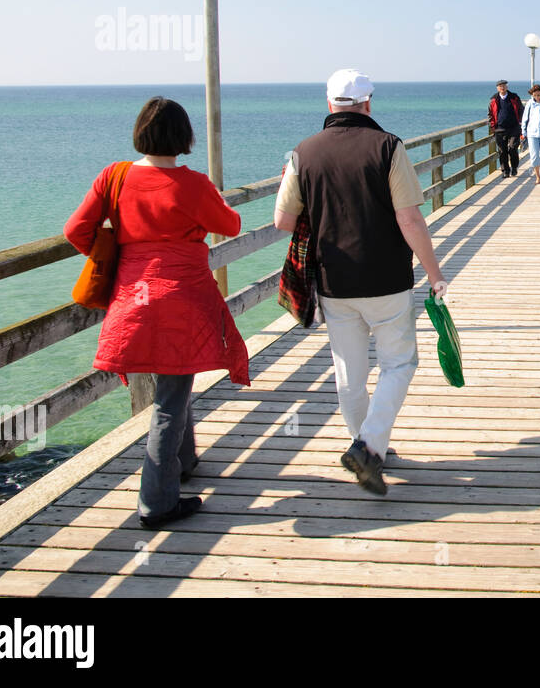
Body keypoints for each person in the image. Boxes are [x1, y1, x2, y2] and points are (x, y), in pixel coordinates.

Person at [64, 97, 249, 529]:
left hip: (134, 297)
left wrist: (116, 254)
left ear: (140, 133)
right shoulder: (193, 184)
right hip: (183, 296)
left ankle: (183, 464)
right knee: (171, 398)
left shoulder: (115, 176)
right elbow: (232, 226)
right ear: (184, 137)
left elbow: (76, 230)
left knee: (172, 388)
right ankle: (156, 504)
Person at [273, 69, 449, 495]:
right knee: (399, 363)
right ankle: (369, 447)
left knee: (349, 374)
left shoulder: (303, 153)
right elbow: (409, 218)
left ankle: (367, 448)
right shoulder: (388, 146)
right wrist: (434, 273)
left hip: (334, 281)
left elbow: (282, 221)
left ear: (329, 104)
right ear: (368, 103)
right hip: (387, 279)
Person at [488, 79, 524, 178]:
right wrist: (493, 127)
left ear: (507, 87)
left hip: (514, 128)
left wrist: (521, 123)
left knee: (512, 148)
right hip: (500, 129)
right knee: (502, 151)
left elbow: (521, 110)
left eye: (504, 85)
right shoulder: (494, 100)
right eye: (500, 86)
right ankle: (505, 170)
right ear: (497, 88)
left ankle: (514, 167)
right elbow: (490, 114)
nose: (502, 87)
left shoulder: (514, 97)